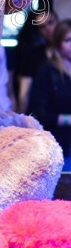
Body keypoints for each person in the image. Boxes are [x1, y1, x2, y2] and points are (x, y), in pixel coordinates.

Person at [27, 19, 71, 169]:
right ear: (58, 44)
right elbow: (37, 113)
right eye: (68, 40)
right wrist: (68, 119)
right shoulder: (47, 71)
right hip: (58, 145)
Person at [14, 8, 58, 112]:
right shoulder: (33, 56)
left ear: (57, 21)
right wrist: (21, 118)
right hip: (43, 114)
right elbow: (24, 92)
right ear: (38, 31)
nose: (48, 29)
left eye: (50, 22)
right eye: (42, 26)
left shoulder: (66, 53)